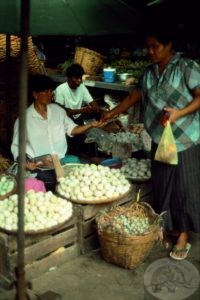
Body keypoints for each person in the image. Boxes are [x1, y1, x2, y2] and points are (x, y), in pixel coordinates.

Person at [101, 24, 200, 260]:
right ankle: (169, 226)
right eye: (147, 47)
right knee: (163, 183)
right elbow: (134, 97)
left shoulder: (186, 67)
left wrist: (179, 113)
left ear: (169, 46)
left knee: (183, 187)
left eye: (155, 46)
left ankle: (184, 235)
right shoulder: (149, 72)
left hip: (184, 137)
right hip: (159, 137)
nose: (150, 51)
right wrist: (111, 113)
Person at [11, 74, 105, 191]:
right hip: (40, 168)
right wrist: (25, 162)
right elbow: (16, 146)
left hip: (60, 162)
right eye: (45, 92)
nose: (50, 94)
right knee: (49, 184)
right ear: (35, 94)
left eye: (51, 91)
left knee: (80, 178)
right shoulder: (24, 119)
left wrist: (91, 125)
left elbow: (72, 129)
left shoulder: (58, 111)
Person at [54, 63, 101, 155]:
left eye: (80, 78)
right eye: (76, 78)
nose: (79, 81)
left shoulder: (82, 87)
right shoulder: (60, 89)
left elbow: (92, 102)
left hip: (78, 119)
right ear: (69, 77)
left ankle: (86, 154)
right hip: (65, 120)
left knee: (87, 135)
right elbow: (62, 112)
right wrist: (82, 110)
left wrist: (95, 108)